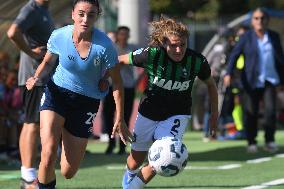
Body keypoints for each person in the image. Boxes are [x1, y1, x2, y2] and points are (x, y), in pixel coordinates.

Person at [25, 0, 133, 189]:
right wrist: (36, 77)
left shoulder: (105, 46)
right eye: (81, 13)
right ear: (73, 14)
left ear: (97, 17)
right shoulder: (59, 36)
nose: (85, 19)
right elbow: (48, 62)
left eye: (91, 15)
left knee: (68, 171)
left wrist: (120, 117)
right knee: (48, 153)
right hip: (56, 93)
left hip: (86, 102)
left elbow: (117, 81)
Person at [118, 17, 218, 189]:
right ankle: (130, 175)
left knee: (165, 155)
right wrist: (104, 78)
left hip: (177, 113)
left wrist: (215, 114)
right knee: (136, 161)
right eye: (173, 45)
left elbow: (211, 84)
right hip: (149, 111)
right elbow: (119, 60)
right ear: (164, 44)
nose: (179, 50)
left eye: (183, 45)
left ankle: (132, 187)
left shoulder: (197, 61)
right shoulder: (152, 54)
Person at [6, 0, 54, 188]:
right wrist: (31, 54)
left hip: (40, 76)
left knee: (33, 123)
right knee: (31, 124)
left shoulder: (43, 9)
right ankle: (27, 177)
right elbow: (13, 32)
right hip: (33, 77)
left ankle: (28, 175)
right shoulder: (31, 9)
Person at [224, 7, 284, 153]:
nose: (260, 21)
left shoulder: (274, 36)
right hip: (250, 81)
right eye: (256, 18)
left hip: (270, 80)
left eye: (262, 18)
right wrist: (228, 73)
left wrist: (282, 80)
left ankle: (269, 141)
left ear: (267, 20)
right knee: (251, 112)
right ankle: (251, 142)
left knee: (270, 112)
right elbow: (234, 55)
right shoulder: (246, 37)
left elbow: (280, 59)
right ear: (252, 21)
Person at [103, 26, 137, 155]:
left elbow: (142, 66)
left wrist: (138, 81)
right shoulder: (111, 48)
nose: (124, 36)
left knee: (125, 116)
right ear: (117, 35)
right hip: (112, 87)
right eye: (121, 34)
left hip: (128, 86)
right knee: (108, 115)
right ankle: (110, 144)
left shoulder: (132, 49)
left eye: (126, 34)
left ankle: (122, 146)